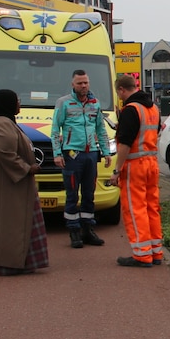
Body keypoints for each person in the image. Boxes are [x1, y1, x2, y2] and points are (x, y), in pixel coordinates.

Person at [0, 89, 50, 276]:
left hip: (11, 186)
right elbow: (5, 152)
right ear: (7, 104)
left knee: (19, 223)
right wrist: (27, 168)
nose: (19, 104)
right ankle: (7, 263)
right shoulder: (2, 124)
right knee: (11, 224)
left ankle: (21, 261)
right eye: (16, 101)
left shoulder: (2, 122)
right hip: (8, 188)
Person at [107, 75, 164, 267]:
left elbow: (125, 143)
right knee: (151, 208)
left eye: (118, 93)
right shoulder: (153, 108)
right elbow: (153, 132)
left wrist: (117, 170)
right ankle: (156, 252)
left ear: (122, 90)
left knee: (135, 208)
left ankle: (141, 254)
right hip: (151, 163)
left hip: (135, 165)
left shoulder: (130, 110)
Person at [51, 70, 111, 248]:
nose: (83, 86)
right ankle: (73, 230)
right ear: (72, 85)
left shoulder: (95, 104)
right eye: (79, 83)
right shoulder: (63, 103)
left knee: (89, 193)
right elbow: (55, 130)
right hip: (72, 155)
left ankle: (88, 229)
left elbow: (101, 129)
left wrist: (106, 152)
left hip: (91, 154)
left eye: (85, 82)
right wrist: (57, 154)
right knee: (71, 194)